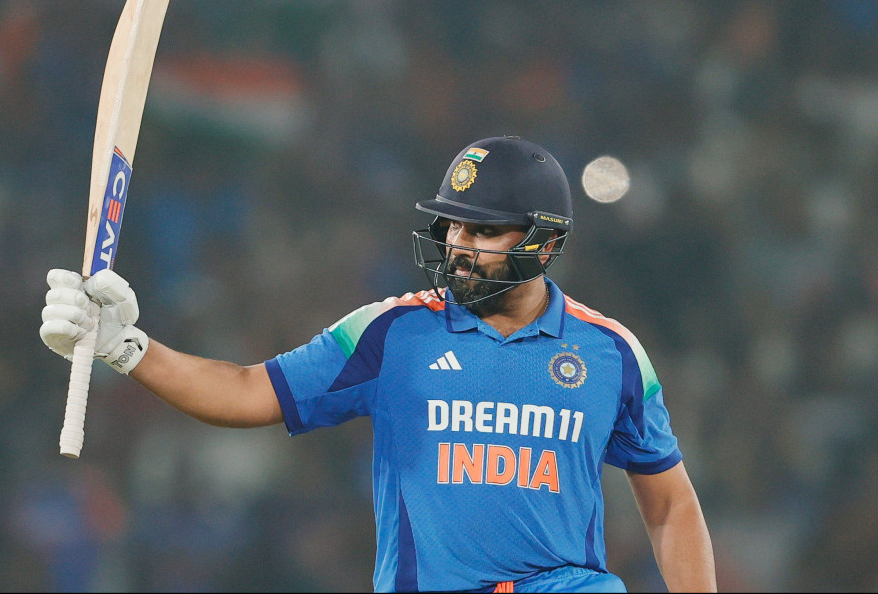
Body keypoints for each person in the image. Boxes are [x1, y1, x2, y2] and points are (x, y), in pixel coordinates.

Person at [39, 136, 716, 593]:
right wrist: (128, 346)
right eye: (453, 226)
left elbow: (669, 503)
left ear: (544, 243)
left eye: (483, 230)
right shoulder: (391, 333)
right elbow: (247, 391)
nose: (459, 246)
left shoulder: (612, 352)